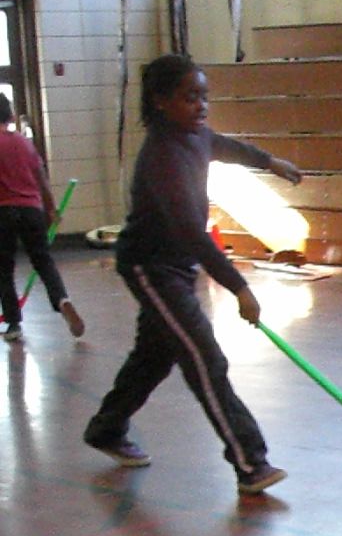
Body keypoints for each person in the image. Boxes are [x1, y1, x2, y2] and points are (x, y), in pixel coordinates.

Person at [82, 54, 301, 494]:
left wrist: (269, 161)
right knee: (205, 358)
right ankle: (249, 462)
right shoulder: (161, 156)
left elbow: (222, 145)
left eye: (203, 96)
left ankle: (106, 429)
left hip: (177, 266)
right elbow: (191, 233)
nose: (200, 106)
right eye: (189, 98)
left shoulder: (193, 135)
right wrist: (239, 287)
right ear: (161, 101)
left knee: (154, 356)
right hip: (152, 267)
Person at [0, 93, 85, 343]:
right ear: (12, 116)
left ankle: (14, 323)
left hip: (3, 212)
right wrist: (51, 209)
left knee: (4, 270)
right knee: (44, 262)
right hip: (31, 210)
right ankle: (63, 301)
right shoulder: (24, 143)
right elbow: (41, 179)